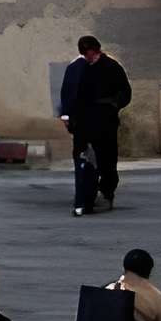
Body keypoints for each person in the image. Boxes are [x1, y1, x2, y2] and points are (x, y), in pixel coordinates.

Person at [61, 35, 132, 214]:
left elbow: (125, 92)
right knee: (84, 158)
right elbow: (71, 93)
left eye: (89, 53)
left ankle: (106, 192)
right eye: (84, 54)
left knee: (106, 158)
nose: (87, 57)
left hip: (104, 120)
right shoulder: (80, 68)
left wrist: (113, 105)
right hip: (84, 122)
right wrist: (70, 117)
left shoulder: (112, 67)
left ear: (96, 50)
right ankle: (87, 197)